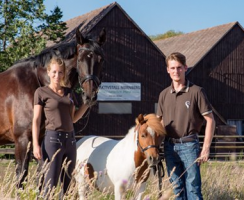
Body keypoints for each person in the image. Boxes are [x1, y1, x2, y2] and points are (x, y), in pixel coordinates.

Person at [157, 52, 215, 199]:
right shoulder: (164, 94)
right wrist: (156, 147)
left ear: (185, 68)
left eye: (179, 67)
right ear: (167, 70)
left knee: (193, 190)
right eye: (172, 68)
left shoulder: (197, 91)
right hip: (169, 146)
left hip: (189, 145)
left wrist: (206, 148)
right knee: (176, 190)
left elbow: (210, 120)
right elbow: (160, 123)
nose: (176, 71)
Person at [32, 57, 90, 197]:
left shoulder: (69, 92)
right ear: (48, 72)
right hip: (53, 141)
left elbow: (73, 118)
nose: (57, 76)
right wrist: (35, 144)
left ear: (64, 74)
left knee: (69, 186)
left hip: (70, 141)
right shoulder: (41, 92)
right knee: (50, 184)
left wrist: (87, 104)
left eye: (60, 72)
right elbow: (36, 119)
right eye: (54, 72)